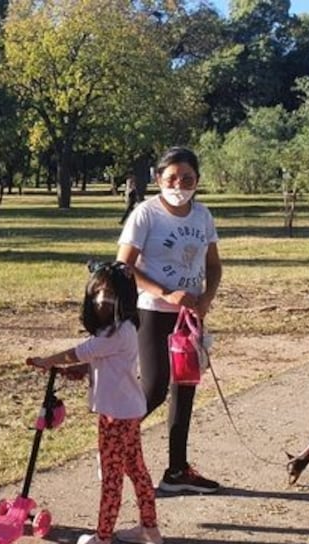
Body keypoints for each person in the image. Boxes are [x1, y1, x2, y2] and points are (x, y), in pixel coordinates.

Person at [26, 261, 162, 544]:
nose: (102, 299)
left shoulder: (115, 333)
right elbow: (100, 362)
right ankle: (149, 528)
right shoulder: (124, 328)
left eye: (109, 293)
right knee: (136, 470)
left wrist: (47, 361)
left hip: (115, 417)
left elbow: (80, 352)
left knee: (112, 477)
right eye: (99, 292)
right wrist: (78, 370)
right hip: (128, 412)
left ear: (123, 297)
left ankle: (102, 540)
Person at [116, 147, 223, 493]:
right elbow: (123, 267)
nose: (179, 185)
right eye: (172, 178)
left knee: (185, 389)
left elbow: (213, 266)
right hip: (152, 312)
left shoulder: (202, 215)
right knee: (155, 388)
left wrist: (205, 299)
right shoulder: (145, 214)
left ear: (197, 181)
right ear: (158, 178)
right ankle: (113, 447)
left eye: (187, 179)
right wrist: (167, 293)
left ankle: (177, 471)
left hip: (190, 317)